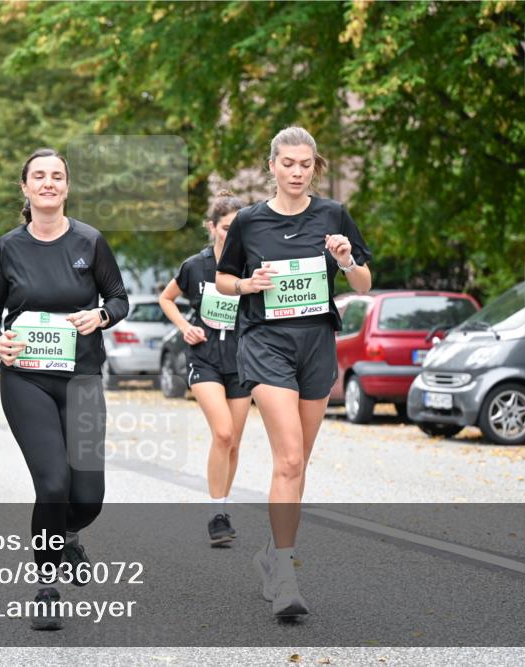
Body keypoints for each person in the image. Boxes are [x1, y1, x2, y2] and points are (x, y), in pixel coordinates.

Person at [215, 126, 372, 619]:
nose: (298, 172)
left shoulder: (332, 215)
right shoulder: (249, 222)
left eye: (306, 164)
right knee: (287, 460)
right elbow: (222, 280)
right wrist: (247, 283)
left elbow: (365, 283)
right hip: (266, 344)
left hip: (316, 346)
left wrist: (346, 260)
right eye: (289, 164)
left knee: (298, 462)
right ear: (273, 166)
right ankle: (284, 573)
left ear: (314, 166)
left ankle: (271, 551)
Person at [0, 148, 129, 630]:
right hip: (26, 379)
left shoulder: (90, 241)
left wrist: (101, 316)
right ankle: (46, 585)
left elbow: (120, 299)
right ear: (25, 188)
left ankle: (67, 534)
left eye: (57, 176)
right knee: (52, 484)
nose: (48, 183)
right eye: (39, 176)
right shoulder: (7, 249)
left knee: (88, 498)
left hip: (82, 378)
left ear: (67, 186)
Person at [159, 190, 251, 546]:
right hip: (205, 358)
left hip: (242, 361)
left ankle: (223, 509)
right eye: (227, 228)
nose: (232, 235)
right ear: (212, 227)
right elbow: (167, 299)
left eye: (238, 228)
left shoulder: (250, 265)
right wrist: (185, 327)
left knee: (235, 441)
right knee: (223, 433)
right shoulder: (195, 266)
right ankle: (215, 514)